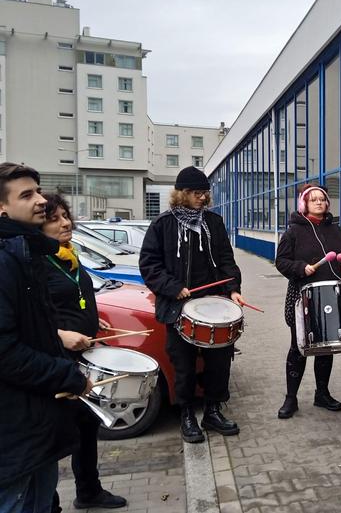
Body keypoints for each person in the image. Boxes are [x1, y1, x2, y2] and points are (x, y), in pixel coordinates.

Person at [0, 163, 92, 513]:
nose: (41, 200)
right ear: (2, 208)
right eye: (27, 195)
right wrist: (66, 374)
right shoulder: (5, 259)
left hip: (35, 423)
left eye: (38, 190)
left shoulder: (26, 252)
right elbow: (4, 351)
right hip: (15, 432)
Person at [139, 166, 244, 444]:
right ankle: (186, 414)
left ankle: (212, 410)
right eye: (197, 193)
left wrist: (232, 289)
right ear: (182, 194)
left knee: (219, 363)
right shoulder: (162, 224)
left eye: (205, 193)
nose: (202, 198)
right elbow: (149, 265)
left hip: (214, 305)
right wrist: (174, 288)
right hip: (178, 307)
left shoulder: (214, 222)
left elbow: (226, 261)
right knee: (183, 365)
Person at [41, 194, 127, 511]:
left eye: (66, 216)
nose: (65, 223)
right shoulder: (37, 264)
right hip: (55, 359)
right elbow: (30, 319)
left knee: (87, 426)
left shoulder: (69, 257)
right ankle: (48, 503)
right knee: (52, 436)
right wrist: (62, 335)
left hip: (83, 357)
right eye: (55, 218)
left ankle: (89, 491)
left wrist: (93, 315)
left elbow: (74, 296)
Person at [274, 184, 341, 419]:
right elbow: (281, 261)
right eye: (314, 200)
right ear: (304, 204)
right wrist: (301, 267)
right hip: (303, 295)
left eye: (322, 200)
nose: (319, 203)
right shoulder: (293, 232)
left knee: (325, 347)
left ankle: (322, 394)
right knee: (298, 348)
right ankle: (291, 399)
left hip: (331, 294)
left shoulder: (336, 231)